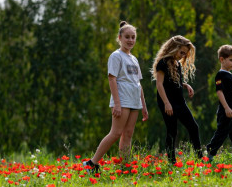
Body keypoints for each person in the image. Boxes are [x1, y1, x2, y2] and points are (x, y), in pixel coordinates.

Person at [83, 21, 148, 172]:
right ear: (119, 38)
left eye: (133, 37)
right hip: (122, 100)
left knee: (128, 134)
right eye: (127, 37)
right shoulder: (116, 56)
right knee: (116, 133)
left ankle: (124, 167)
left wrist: (143, 106)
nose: (130, 40)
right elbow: (111, 78)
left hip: (134, 101)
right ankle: (91, 164)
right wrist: (117, 104)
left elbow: (138, 83)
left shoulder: (134, 59)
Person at [152, 35, 202, 164]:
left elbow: (173, 82)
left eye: (184, 54)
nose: (182, 56)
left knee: (193, 127)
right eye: (181, 52)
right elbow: (159, 84)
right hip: (167, 102)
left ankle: (200, 158)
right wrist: (167, 103)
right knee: (172, 131)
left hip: (179, 102)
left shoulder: (177, 64)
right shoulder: (162, 63)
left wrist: (186, 85)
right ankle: (171, 162)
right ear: (173, 48)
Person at [206, 44, 232, 162]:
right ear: (222, 59)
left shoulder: (229, 74)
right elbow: (219, 92)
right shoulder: (220, 75)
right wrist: (226, 108)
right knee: (222, 132)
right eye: (231, 60)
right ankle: (210, 153)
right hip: (226, 110)